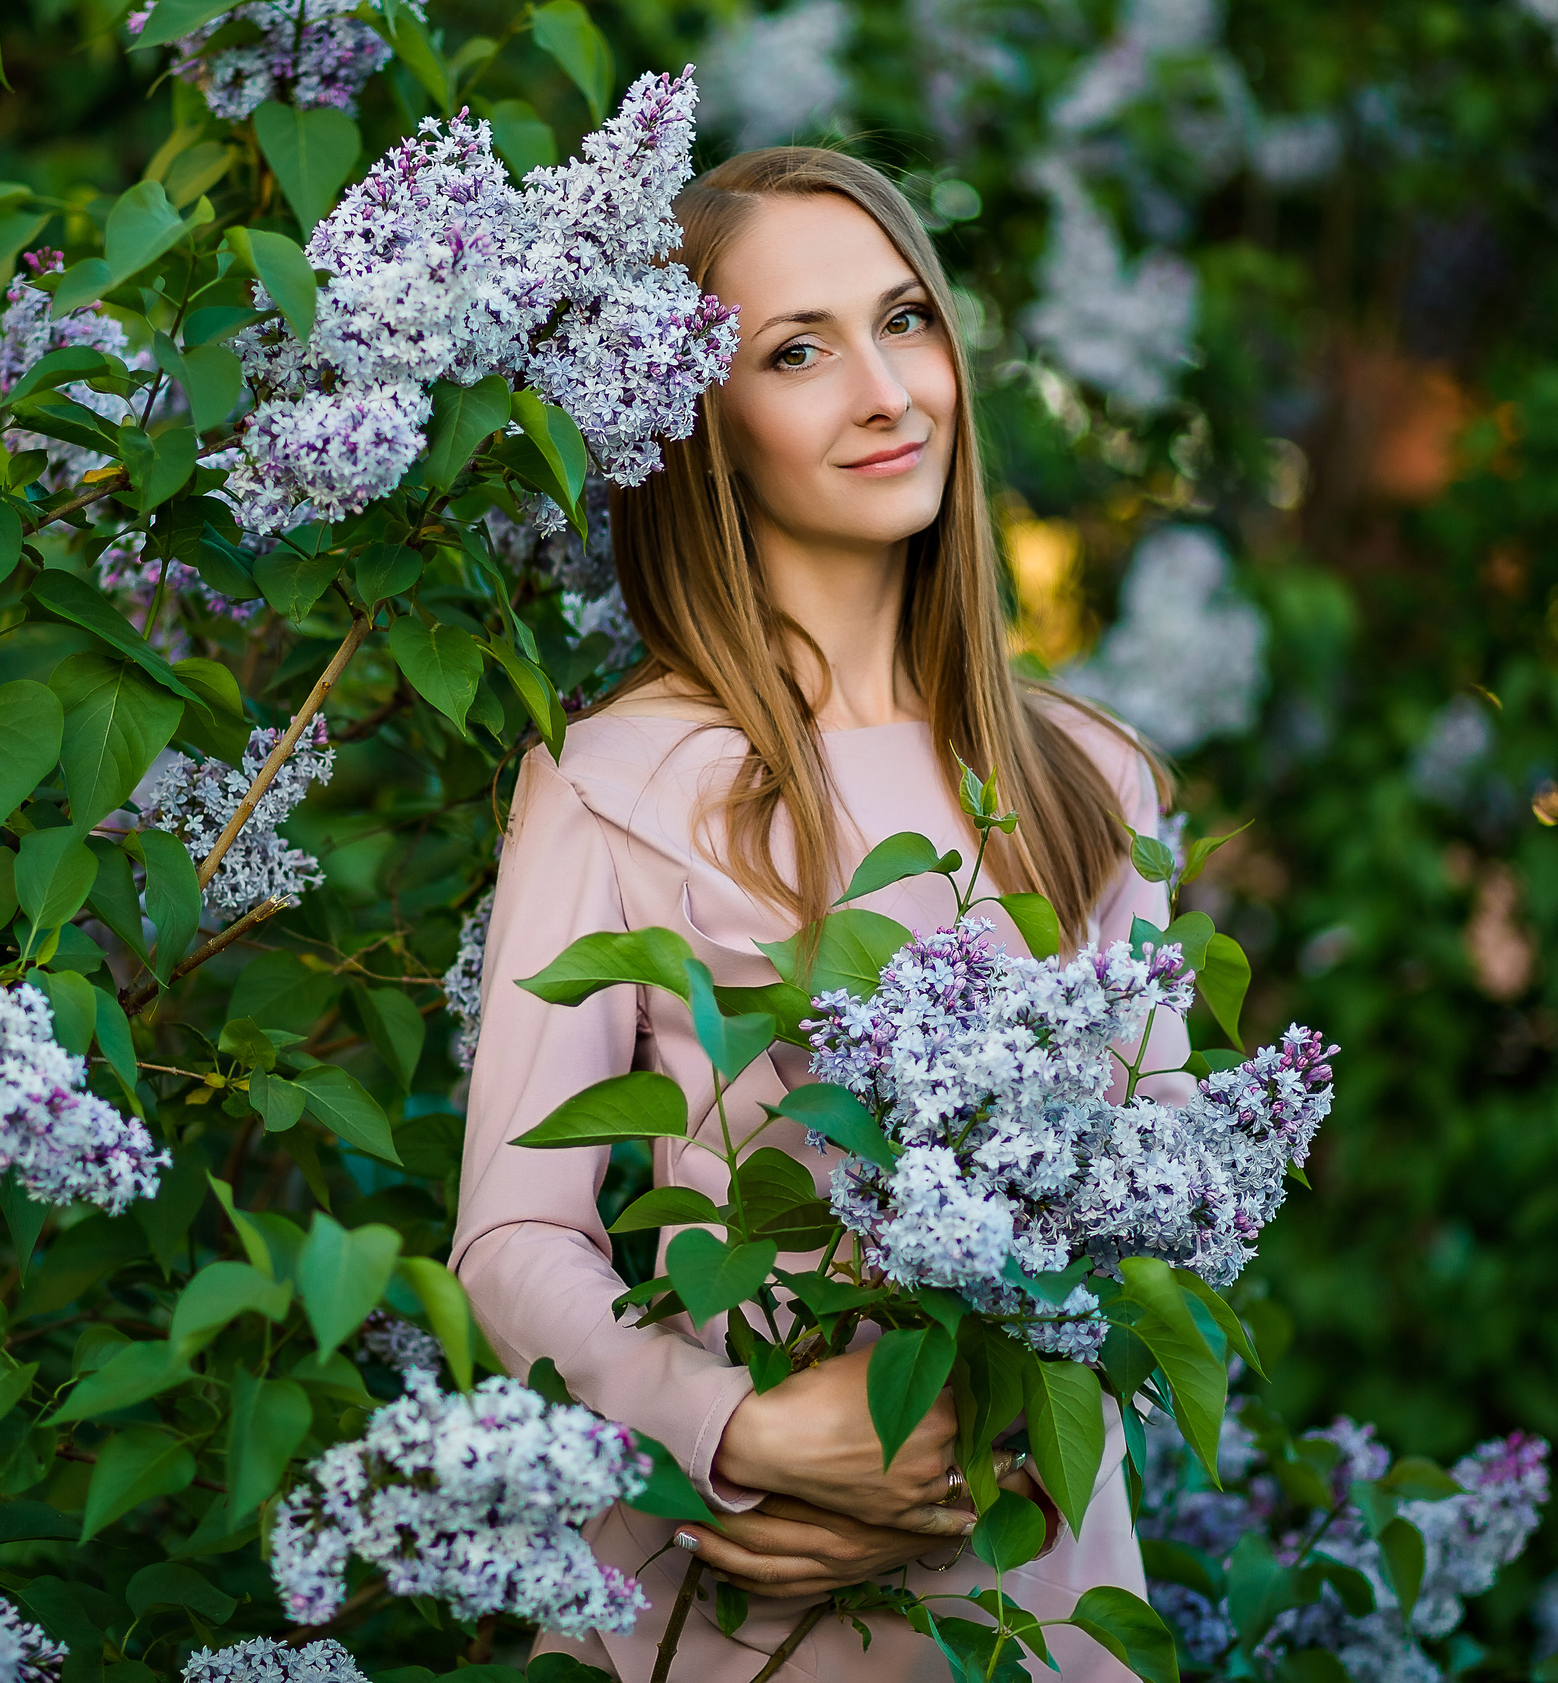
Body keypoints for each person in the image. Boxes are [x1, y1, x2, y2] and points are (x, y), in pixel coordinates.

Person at [448, 147, 1191, 1680]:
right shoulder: (615, 783)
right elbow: (513, 1238)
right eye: (799, 351)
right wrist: (740, 1428)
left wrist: (980, 1450)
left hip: (1026, 1592)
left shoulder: (1092, 781)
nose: (887, 391)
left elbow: (1171, 1208)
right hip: (726, 1608)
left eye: (906, 320)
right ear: (704, 427)